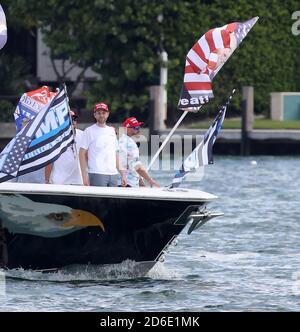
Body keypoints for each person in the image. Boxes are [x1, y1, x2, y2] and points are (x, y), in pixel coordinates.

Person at [79, 102, 126, 187]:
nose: (101, 115)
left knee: (113, 200)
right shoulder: (89, 131)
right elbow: (82, 153)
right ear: (95, 115)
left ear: (107, 114)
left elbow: (116, 154)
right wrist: (84, 176)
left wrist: (122, 174)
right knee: (98, 200)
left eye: (103, 113)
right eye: (99, 113)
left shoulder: (112, 131)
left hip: (113, 174)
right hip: (96, 173)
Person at [119, 117, 160, 188]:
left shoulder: (121, 141)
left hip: (122, 182)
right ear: (127, 128)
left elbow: (128, 164)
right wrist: (150, 180)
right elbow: (137, 167)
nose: (138, 130)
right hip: (129, 184)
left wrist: (140, 178)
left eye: (138, 127)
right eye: (136, 127)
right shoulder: (130, 144)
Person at [45, 110, 83, 185]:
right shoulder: (55, 137)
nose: (73, 121)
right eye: (69, 119)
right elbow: (49, 160)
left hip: (78, 180)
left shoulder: (83, 134)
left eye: (74, 119)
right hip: (59, 182)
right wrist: (47, 180)